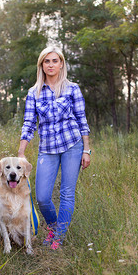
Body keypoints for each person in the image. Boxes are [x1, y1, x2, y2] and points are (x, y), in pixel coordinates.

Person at [18, 46, 91, 250]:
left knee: (67, 194)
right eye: (47, 61)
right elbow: (29, 123)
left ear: (61, 64)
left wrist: (86, 150)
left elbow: (81, 119)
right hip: (48, 149)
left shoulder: (72, 89)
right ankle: (53, 227)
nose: (51, 65)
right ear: (42, 65)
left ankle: (58, 238)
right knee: (42, 197)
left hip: (72, 145)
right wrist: (21, 153)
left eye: (55, 61)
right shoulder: (34, 92)